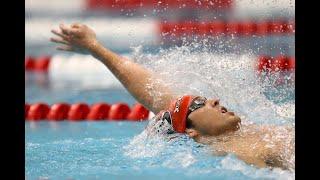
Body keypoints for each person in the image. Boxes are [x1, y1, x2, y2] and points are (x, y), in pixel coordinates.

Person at [50, 23, 294, 170]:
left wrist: (96, 48)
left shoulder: (244, 135)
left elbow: (155, 95)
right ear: (191, 131)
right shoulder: (237, 152)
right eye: (200, 103)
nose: (215, 101)